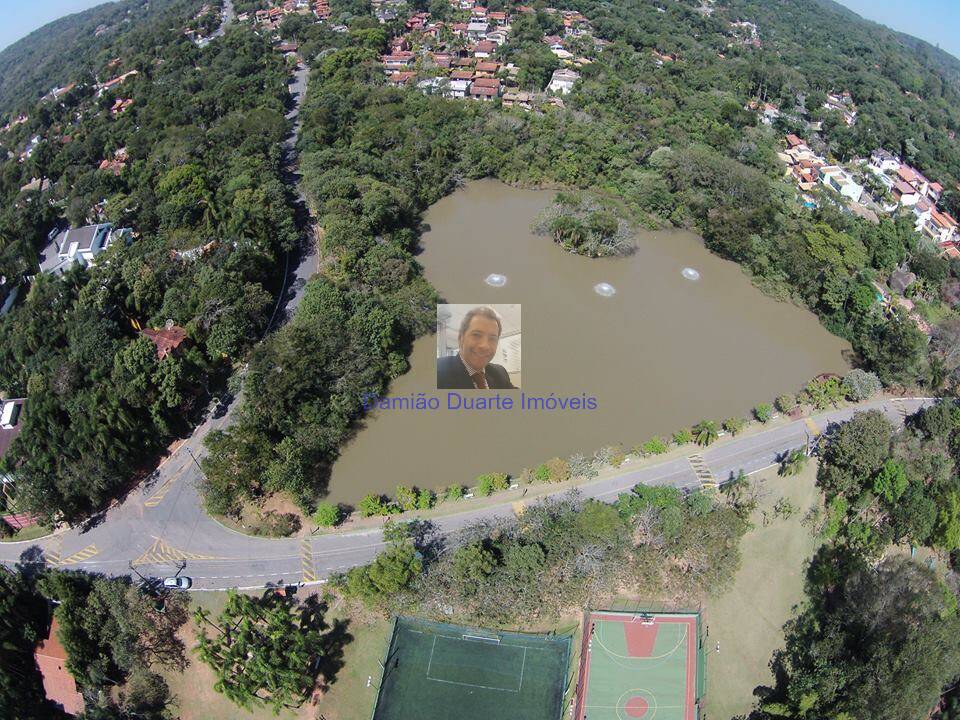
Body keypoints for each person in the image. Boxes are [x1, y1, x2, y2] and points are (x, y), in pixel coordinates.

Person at [437, 306, 516, 390]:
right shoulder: (437, 372)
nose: (484, 346)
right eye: (476, 335)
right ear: (461, 338)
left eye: (492, 338)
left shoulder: (500, 373)